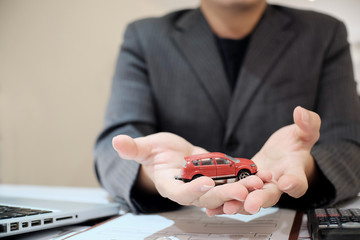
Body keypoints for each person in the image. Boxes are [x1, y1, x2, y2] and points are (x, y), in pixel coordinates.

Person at [94, 0, 360, 215]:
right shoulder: (145, 36)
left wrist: (308, 168)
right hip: (175, 220)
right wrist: (152, 171)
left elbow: (349, 145)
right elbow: (113, 148)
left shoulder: (324, 33)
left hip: (286, 215)